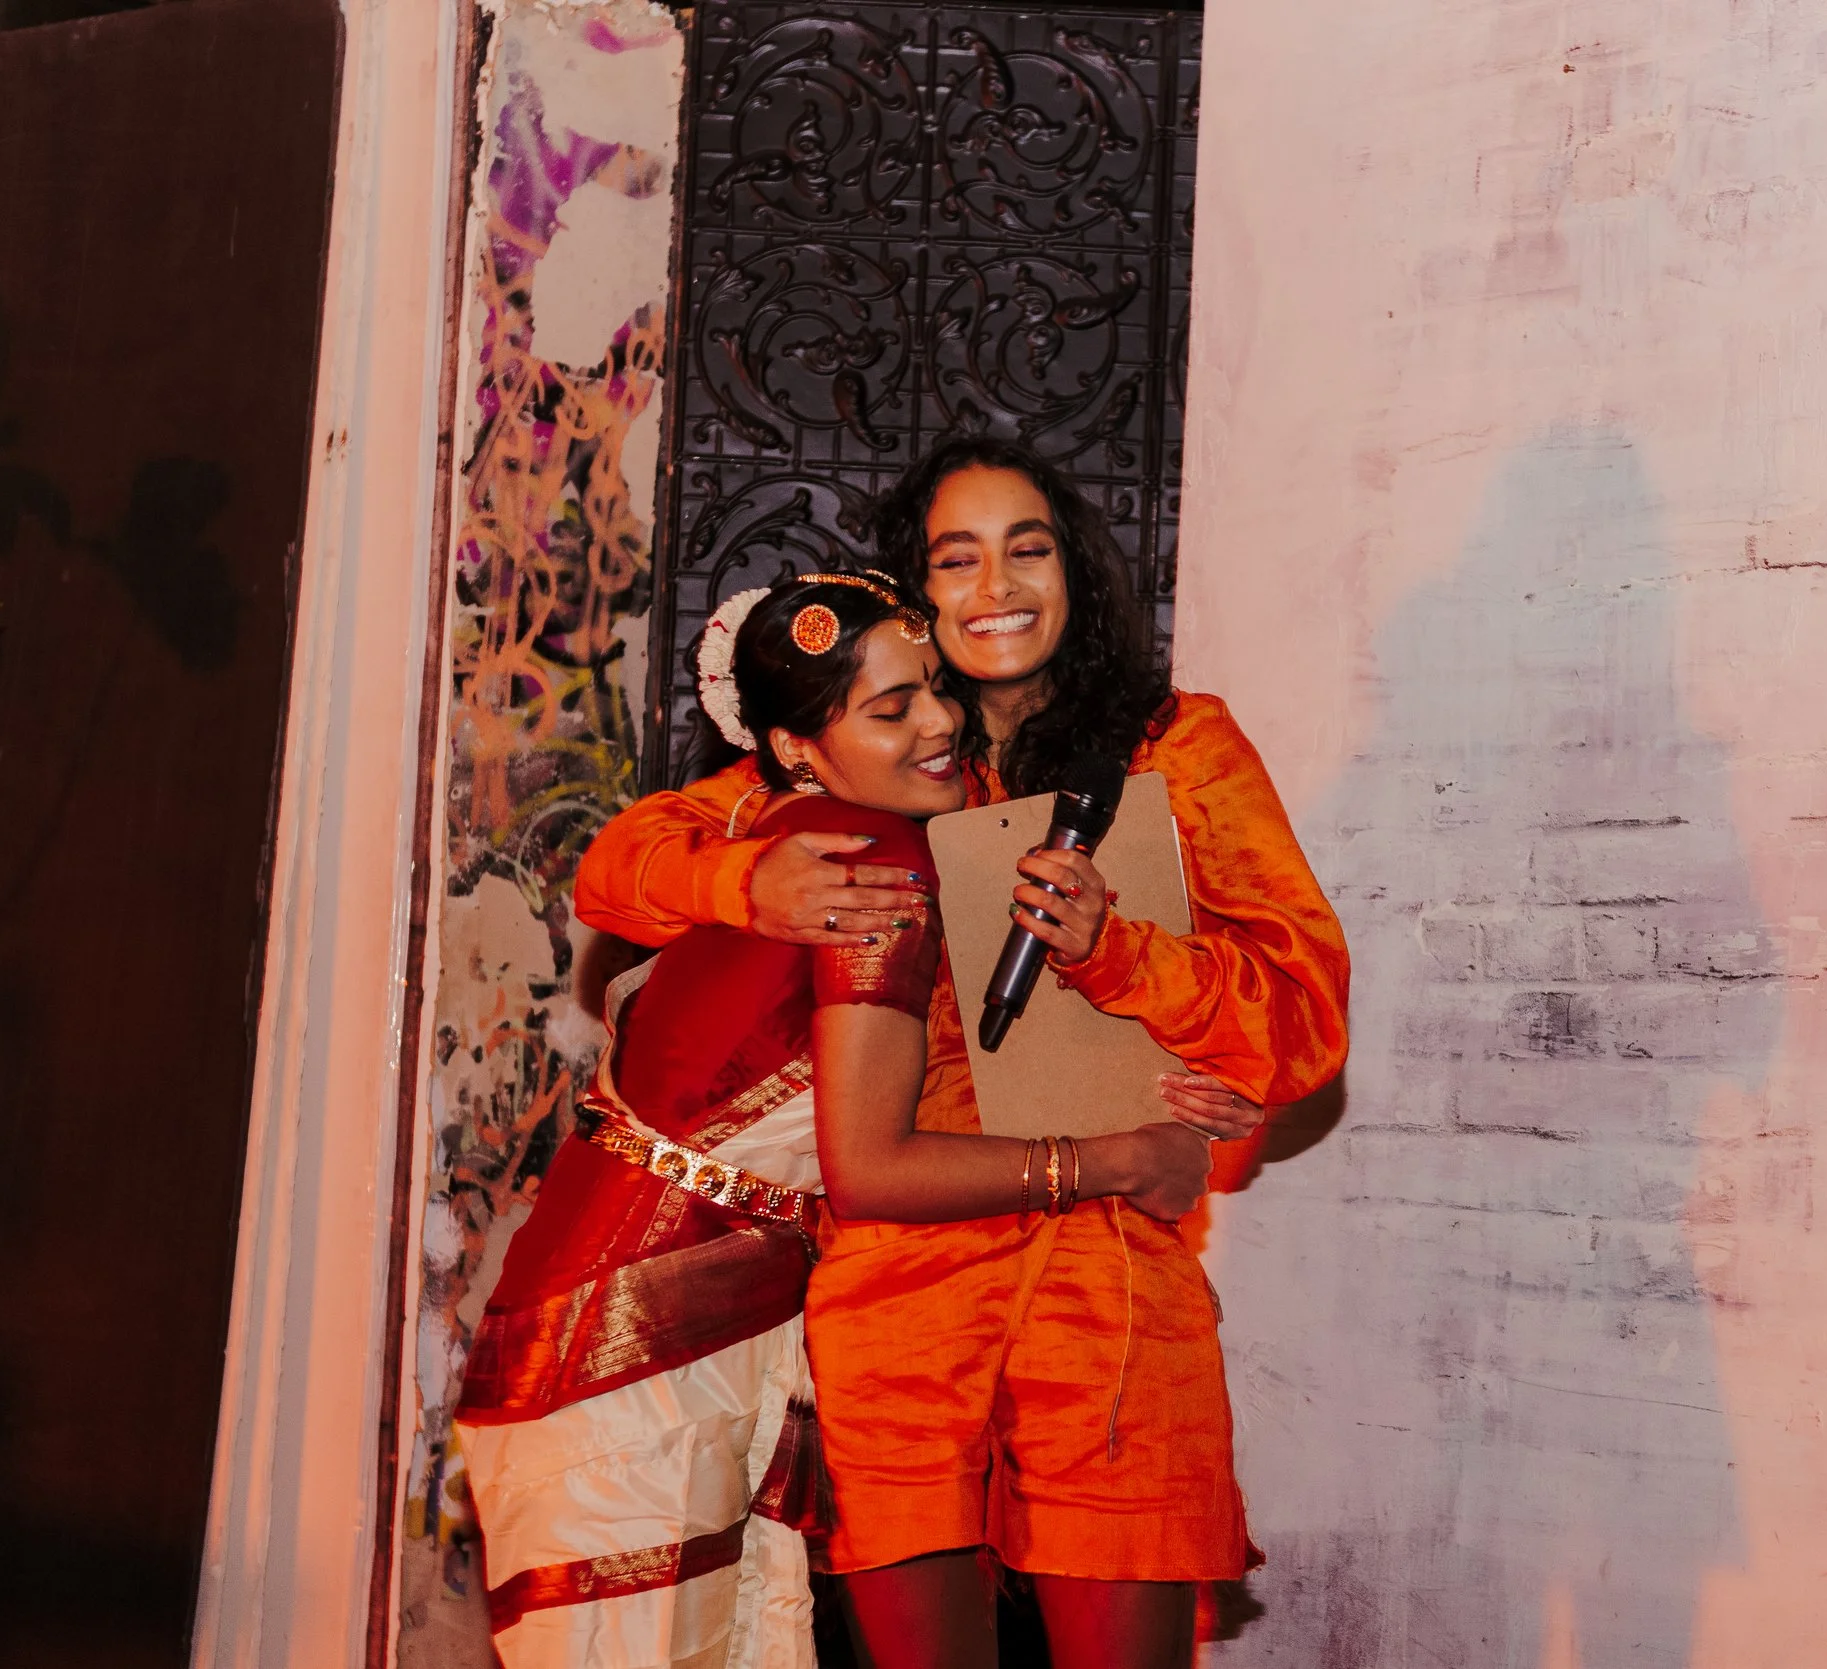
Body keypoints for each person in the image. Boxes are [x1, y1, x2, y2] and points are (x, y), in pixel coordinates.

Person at [571, 437, 1350, 1669]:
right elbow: (617, 872)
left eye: (1026, 547)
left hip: (1106, 1293)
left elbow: (1304, 1026)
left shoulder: (1176, 749)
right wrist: (745, 875)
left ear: (1075, 571)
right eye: (956, 557)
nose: (996, 584)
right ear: (913, 595)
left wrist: (1122, 951)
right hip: (898, 1290)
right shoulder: (870, 754)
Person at [453, 572, 1249, 1669]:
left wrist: (1189, 1068)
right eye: (890, 710)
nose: (935, 722)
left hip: (661, 1320)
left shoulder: (822, 825)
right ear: (791, 747)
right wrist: (1117, 1160)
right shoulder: (869, 865)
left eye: (933, 689)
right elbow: (871, 1167)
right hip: (637, 1347)